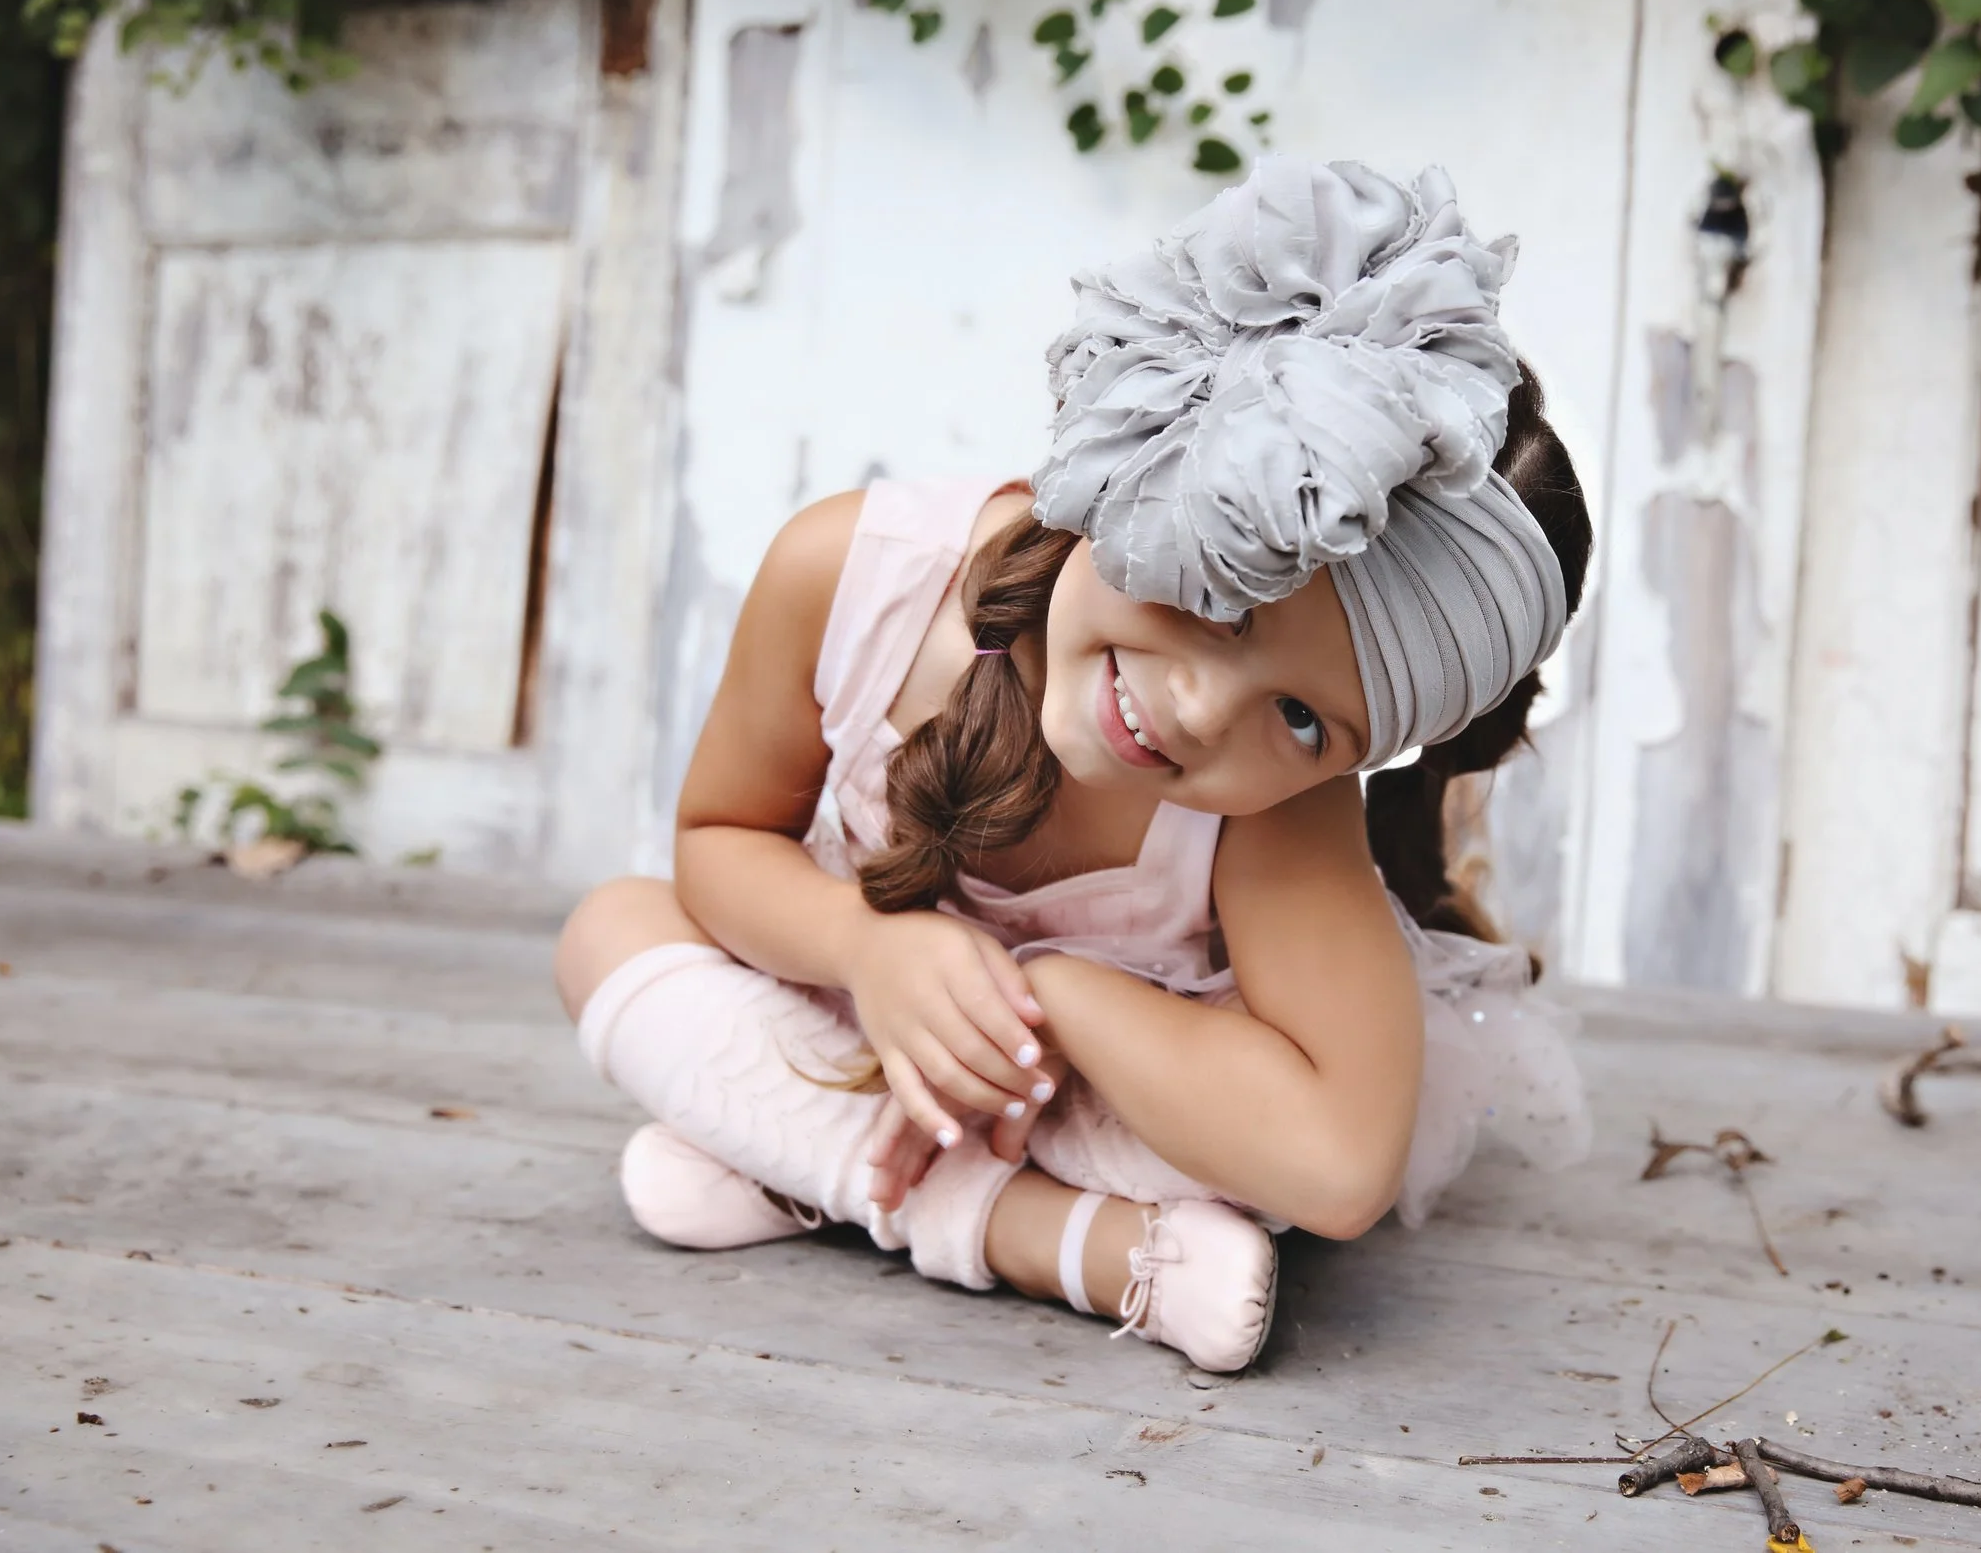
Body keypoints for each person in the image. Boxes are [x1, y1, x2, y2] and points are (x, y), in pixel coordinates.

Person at [554, 159, 1594, 1374]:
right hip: (864, 1022)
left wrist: (1048, 995)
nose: (1202, 711)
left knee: (1255, 1159)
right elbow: (717, 844)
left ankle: (803, 1167)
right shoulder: (849, 574)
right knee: (611, 932)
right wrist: (867, 948)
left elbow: (1344, 1163)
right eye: (1224, 599)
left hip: (1082, 1094)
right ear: (1146, 452)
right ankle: (1053, 1242)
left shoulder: (1277, 805)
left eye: (1307, 720)